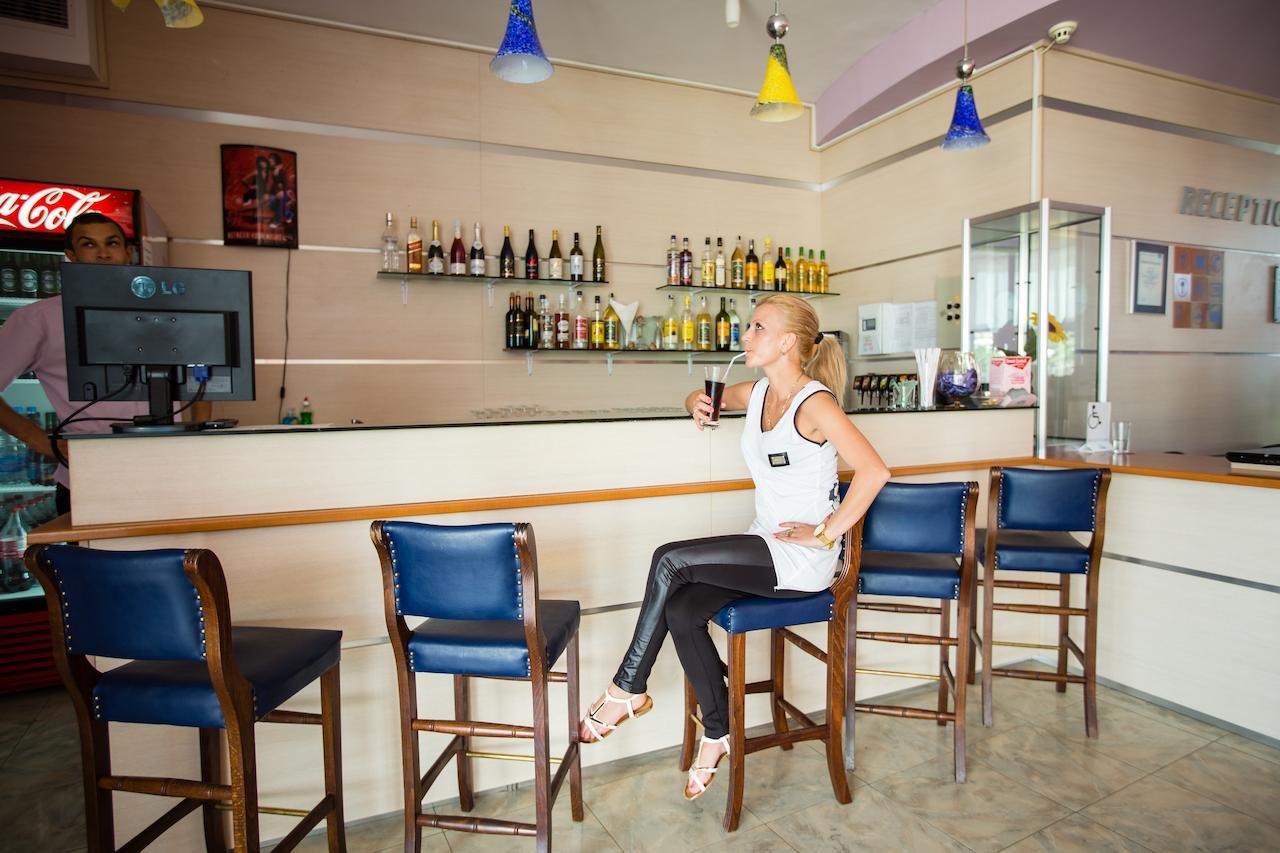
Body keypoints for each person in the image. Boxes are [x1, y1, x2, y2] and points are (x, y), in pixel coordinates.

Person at [579, 294, 891, 800]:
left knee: (669, 559)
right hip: (764, 545)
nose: (745, 336)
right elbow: (705, 396)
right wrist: (694, 403)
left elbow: (874, 472)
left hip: (802, 561)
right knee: (682, 609)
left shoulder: (816, 403)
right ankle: (719, 731)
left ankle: (626, 689)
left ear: (787, 342)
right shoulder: (761, 391)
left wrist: (825, 533)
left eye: (757, 327)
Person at [0, 212, 210, 515]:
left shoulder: (165, 313)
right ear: (71, 255)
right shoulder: (38, 319)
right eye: (89, 244)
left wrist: (200, 436)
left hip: (169, 470)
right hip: (90, 476)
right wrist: (41, 441)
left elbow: (201, 377)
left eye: (111, 243)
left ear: (128, 253)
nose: (102, 253)